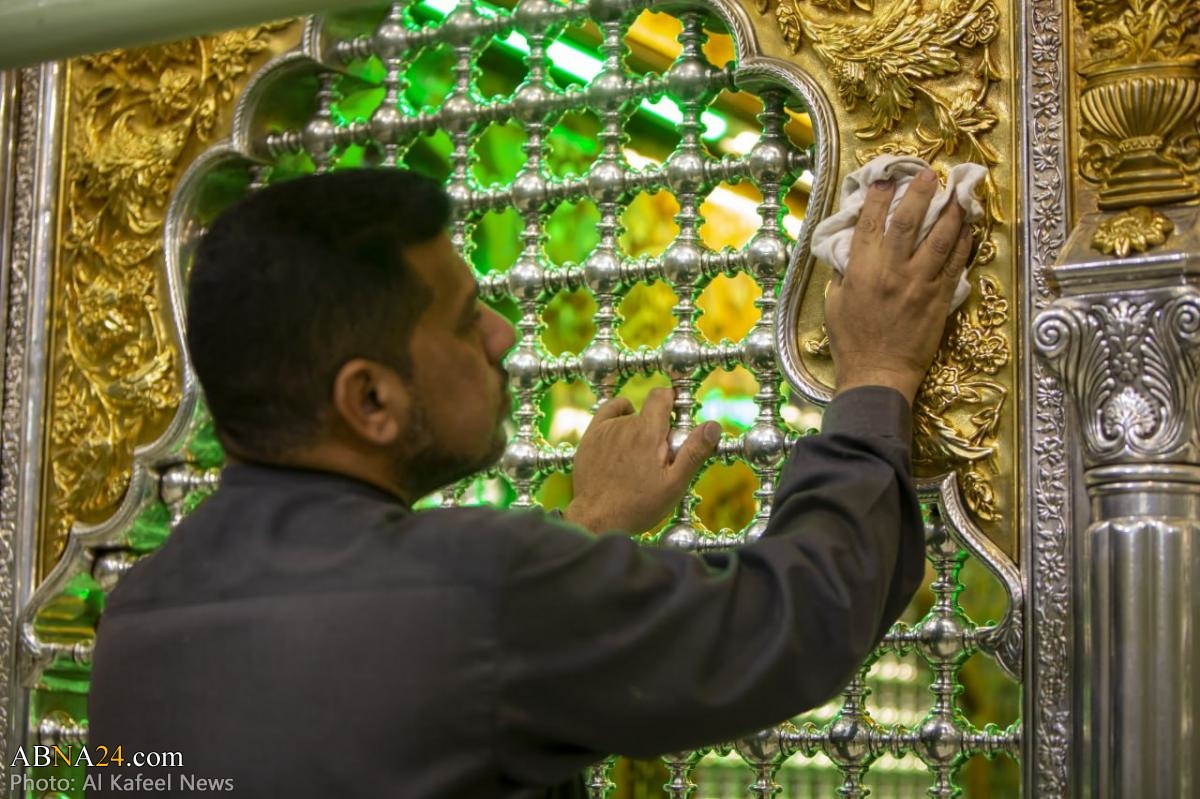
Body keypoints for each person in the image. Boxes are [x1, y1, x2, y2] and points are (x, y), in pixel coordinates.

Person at [87, 167, 971, 797]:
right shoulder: (474, 587)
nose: (503, 337)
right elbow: (793, 623)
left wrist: (588, 525)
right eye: (466, 317)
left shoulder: (136, 622)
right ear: (370, 397)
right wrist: (879, 374)